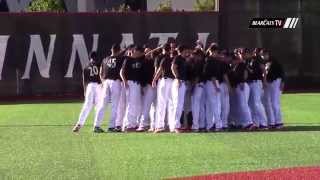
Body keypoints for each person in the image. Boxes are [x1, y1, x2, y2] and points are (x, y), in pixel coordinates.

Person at [93, 44, 124, 132]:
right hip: (115, 82)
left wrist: (103, 82)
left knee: (102, 104)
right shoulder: (120, 59)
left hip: (105, 82)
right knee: (114, 105)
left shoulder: (105, 59)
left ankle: (96, 126)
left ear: (111, 50)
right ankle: (111, 127)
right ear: (119, 50)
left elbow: (100, 72)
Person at [72, 52, 102, 133]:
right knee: (98, 106)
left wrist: (85, 90)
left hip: (89, 86)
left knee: (87, 105)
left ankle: (79, 124)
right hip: (98, 85)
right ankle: (96, 126)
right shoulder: (99, 65)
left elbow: (84, 80)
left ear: (90, 58)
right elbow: (102, 76)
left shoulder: (86, 67)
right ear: (96, 57)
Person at [120, 45, 145, 132]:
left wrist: (141, 86)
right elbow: (121, 72)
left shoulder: (139, 60)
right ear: (135, 51)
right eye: (140, 52)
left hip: (137, 84)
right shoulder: (127, 59)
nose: (141, 54)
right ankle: (128, 125)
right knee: (131, 104)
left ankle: (133, 124)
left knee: (137, 105)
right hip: (130, 83)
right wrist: (124, 81)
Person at [152, 43, 175, 133]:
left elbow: (159, 70)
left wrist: (154, 80)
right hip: (172, 82)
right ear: (170, 50)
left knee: (161, 104)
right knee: (171, 104)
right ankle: (172, 126)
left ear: (163, 49)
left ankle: (160, 126)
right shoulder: (173, 58)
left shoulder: (164, 58)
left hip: (164, 81)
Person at [261, 50, 285, 129]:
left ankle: (279, 122)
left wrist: (282, 82)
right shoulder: (264, 62)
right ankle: (272, 122)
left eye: (265, 54)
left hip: (276, 81)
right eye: (263, 55)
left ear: (268, 54)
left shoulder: (274, 61)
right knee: (269, 102)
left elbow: (282, 73)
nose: (264, 56)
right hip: (269, 82)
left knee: (275, 102)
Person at [136, 47, 157, 132]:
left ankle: (146, 125)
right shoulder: (142, 62)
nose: (148, 53)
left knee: (151, 106)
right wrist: (141, 86)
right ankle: (145, 124)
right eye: (146, 52)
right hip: (144, 86)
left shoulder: (153, 61)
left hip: (152, 85)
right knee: (144, 106)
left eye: (149, 51)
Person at [246, 48, 268, 129]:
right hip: (251, 82)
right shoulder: (251, 60)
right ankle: (256, 123)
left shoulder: (259, 59)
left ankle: (264, 123)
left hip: (257, 82)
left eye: (256, 52)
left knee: (257, 103)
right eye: (254, 51)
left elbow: (264, 70)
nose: (255, 53)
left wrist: (264, 81)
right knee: (252, 104)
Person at [203, 44, 221, 131]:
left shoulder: (210, 60)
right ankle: (217, 125)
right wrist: (216, 86)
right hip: (212, 83)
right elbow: (212, 75)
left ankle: (210, 125)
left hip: (212, 83)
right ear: (213, 51)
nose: (217, 53)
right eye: (216, 52)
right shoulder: (211, 60)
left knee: (211, 105)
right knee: (214, 104)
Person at [170, 45, 188, 133]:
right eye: (185, 51)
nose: (187, 52)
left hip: (183, 82)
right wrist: (177, 78)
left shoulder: (184, 59)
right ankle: (176, 126)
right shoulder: (177, 58)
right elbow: (173, 67)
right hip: (178, 82)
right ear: (182, 51)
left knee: (179, 104)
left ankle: (176, 125)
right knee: (177, 104)